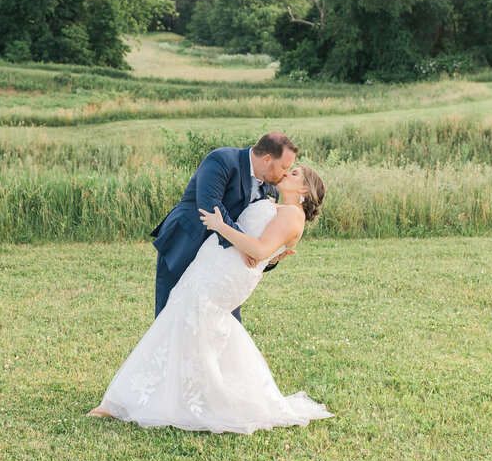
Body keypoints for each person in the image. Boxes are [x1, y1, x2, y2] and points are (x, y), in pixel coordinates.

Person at [88, 164, 332, 433]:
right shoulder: (279, 207)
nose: (287, 173)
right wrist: (271, 254)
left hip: (225, 275)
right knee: (192, 322)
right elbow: (264, 247)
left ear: (304, 190)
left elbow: (259, 250)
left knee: (187, 317)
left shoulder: (293, 216)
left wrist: (220, 226)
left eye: (295, 174)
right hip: (214, 264)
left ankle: (124, 401)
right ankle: (181, 391)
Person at [150, 132, 298, 323]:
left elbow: (256, 236)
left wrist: (269, 258)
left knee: (224, 325)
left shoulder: (271, 189)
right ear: (267, 159)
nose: (286, 173)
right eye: (285, 167)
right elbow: (209, 205)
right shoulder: (222, 160)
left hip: (222, 266)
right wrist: (239, 245)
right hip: (186, 244)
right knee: (171, 317)